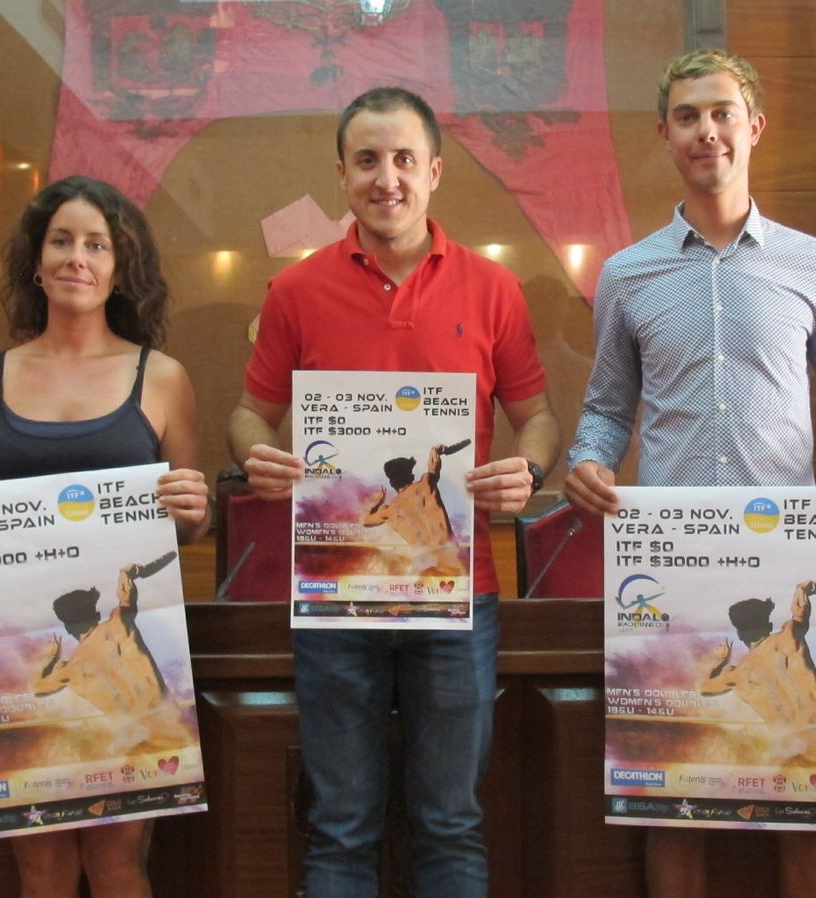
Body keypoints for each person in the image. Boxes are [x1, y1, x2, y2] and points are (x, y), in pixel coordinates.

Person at [563, 50, 816, 898]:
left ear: (753, 126)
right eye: (686, 116)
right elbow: (606, 407)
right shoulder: (628, 274)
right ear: (665, 134)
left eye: (720, 112)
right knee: (674, 793)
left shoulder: (810, 263)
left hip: (787, 560)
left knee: (801, 794)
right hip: (667, 564)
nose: (705, 130)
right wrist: (589, 461)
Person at [226, 86, 560, 898]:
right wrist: (259, 454)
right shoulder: (295, 292)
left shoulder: (493, 289)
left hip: (460, 598)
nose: (388, 178)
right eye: (368, 160)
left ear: (435, 172)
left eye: (404, 159)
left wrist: (531, 471)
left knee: (452, 827)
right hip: (336, 600)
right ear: (341, 174)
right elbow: (246, 414)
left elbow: (539, 417)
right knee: (340, 832)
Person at [0, 175, 209, 898]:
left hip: (130, 666)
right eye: (62, 240)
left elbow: (188, 527)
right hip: (13, 652)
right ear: (37, 259)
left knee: (120, 863)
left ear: (120, 267)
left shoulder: (163, 379)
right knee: (41, 867)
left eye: (97, 244)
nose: (77, 257)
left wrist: (193, 505)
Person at [701, 580, 816, 768]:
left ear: (739, 634)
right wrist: (803, 588)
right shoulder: (790, 636)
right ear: (769, 625)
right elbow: (800, 608)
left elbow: (704, 687)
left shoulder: (736, 675)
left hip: (787, 749)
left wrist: (719, 661)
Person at [35, 555, 179, 717]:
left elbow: (37, 688)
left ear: (67, 628)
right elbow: (127, 594)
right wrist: (126, 573)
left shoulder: (70, 670)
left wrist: (48, 659)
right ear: (96, 615)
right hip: (175, 723)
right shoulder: (119, 624)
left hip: (145, 737)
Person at [362, 440, 471, 576]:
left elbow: (365, 521)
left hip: (424, 565)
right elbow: (433, 463)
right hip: (450, 557)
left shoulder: (388, 511)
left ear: (391, 483)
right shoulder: (426, 484)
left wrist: (377, 502)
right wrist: (436, 450)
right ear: (411, 476)